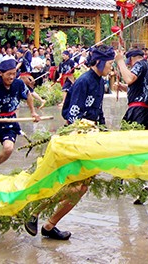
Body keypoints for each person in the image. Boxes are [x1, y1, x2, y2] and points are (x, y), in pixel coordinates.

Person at [25, 45, 115, 240]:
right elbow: (73, 115)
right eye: (109, 64)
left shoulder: (100, 82)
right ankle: (35, 212)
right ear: (98, 62)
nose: (111, 68)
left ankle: (49, 225)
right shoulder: (84, 82)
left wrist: (105, 132)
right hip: (76, 139)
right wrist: (87, 132)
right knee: (71, 185)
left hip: (90, 139)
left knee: (82, 187)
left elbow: (98, 112)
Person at [0, 59, 40, 170]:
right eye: (9, 74)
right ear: (1, 73)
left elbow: (28, 95)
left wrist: (33, 112)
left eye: (14, 74)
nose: (11, 77)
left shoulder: (18, 84)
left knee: (8, 148)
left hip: (9, 121)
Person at [114, 48, 148, 130]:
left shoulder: (139, 64)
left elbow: (129, 79)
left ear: (131, 58)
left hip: (139, 111)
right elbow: (139, 89)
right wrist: (121, 86)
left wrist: (120, 61)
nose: (130, 65)